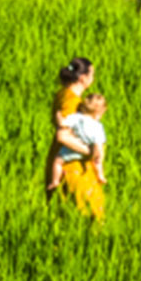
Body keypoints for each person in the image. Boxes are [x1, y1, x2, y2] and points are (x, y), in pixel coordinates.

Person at [45, 56, 95, 196]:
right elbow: (62, 135)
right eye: (92, 75)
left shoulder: (63, 93)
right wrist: (90, 151)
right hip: (70, 165)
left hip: (56, 158)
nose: (93, 79)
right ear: (83, 78)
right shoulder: (72, 102)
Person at [57, 90, 109, 220]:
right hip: (89, 151)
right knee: (98, 158)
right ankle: (100, 173)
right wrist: (94, 153)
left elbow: (63, 124)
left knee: (57, 161)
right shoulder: (98, 125)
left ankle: (54, 180)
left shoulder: (76, 117)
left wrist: (58, 116)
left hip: (74, 152)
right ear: (99, 112)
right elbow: (99, 142)